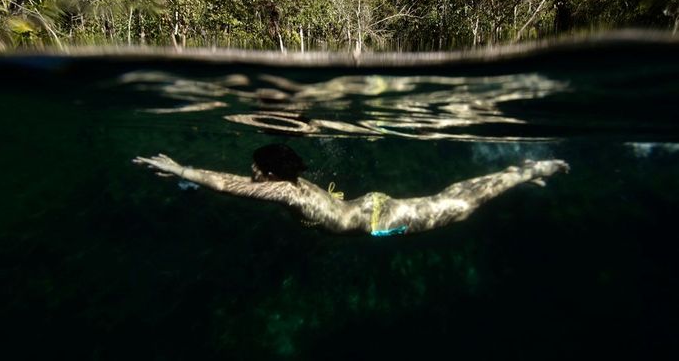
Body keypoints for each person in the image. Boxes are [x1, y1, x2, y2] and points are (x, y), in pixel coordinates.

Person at [133, 146, 569, 236]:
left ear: (270, 174)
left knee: (458, 205)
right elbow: (236, 181)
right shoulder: (293, 183)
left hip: (378, 218)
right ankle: (522, 173)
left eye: (255, 170)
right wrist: (190, 180)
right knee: (452, 198)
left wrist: (183, 168)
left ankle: (530, 171)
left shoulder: (287, 192)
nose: (251, 174)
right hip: (367, 208)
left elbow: (230, 186)